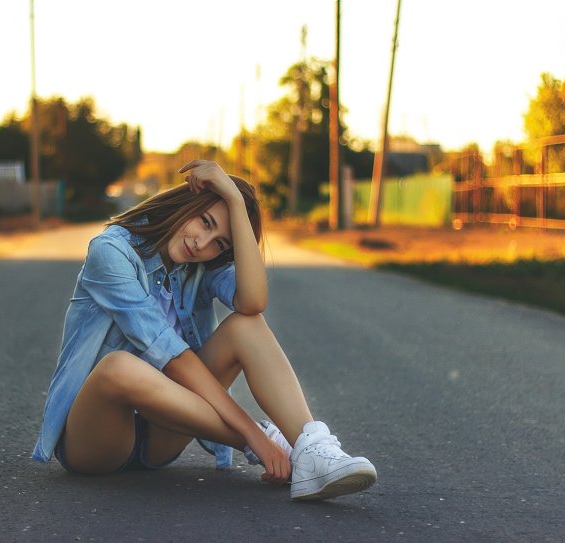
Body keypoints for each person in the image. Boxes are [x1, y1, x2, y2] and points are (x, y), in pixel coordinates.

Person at [31, 159, 377, 500]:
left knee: (246, 325)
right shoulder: (113, 251)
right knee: (119, 367)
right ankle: (268, 438)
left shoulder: (199, 263)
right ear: (187, 203)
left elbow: (252, 302)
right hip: (94, 440)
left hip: (162, 435)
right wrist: (251, 437)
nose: (202, 243)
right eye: (205, 221)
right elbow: (171, 356)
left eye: (220, 243)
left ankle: (311, 449)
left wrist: (238, 204)